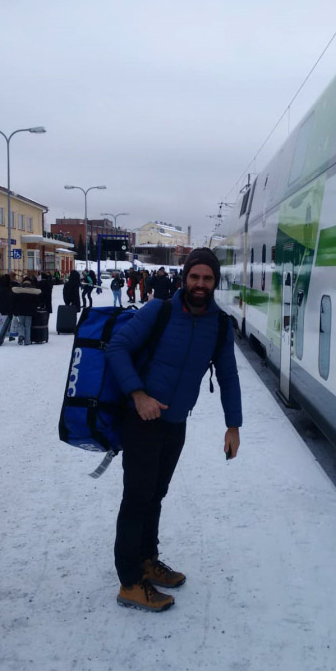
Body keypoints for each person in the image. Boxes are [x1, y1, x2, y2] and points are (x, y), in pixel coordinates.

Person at [106, 247, 242, 612]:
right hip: (142, 420)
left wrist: (233, 425)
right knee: (137, 499)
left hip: (175, 423)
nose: (200, 284)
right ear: (184, 278)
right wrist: (138, 394)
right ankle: (130, 582)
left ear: (215, 282)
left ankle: (148, 559)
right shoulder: (159, 311)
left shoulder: (220, 324)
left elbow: (228, 376)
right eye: (195, 277)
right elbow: (117, 347)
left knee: (155, 495)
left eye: (207, 278)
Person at [11, 276, 43, 345]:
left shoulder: (18, 289)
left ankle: (21, 335)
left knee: (21, 324)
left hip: (20, 310)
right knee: (28, 326)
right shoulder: (33, 290)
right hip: (30, 311)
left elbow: (14, 300)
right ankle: (27, 341)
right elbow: (37, 301)